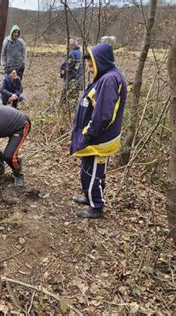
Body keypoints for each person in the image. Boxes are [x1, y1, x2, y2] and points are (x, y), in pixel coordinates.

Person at [70, 43, 127, 219]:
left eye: (91, 65)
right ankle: (89, 197)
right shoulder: (104, 77)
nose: (89, 69)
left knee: (94, 173)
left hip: (100, 140)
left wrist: (88, 134)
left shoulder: (109, 80)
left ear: (101, 62)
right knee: (87, 170)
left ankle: (96, 206)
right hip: (94, 139)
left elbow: (103, 115)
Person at [59, 38, 83, 107]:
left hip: (71, 79)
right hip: (79, 79)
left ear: (70, 46)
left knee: (63, 98)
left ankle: (62, 111)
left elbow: (66, 65)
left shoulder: (71, 54)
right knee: (74, 99)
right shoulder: (81, 53)